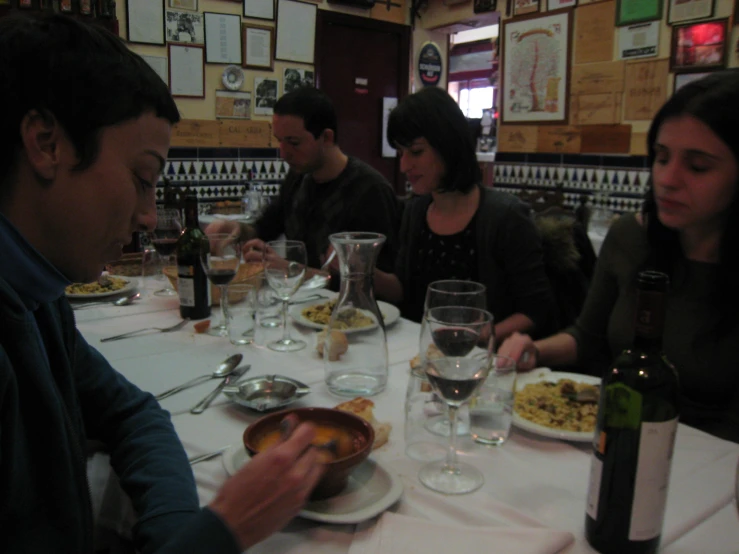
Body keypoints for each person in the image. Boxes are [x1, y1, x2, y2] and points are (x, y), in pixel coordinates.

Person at [0, 13, 326, 553]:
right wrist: (221, 531)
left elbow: (133, 412)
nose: (150, 216)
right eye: (143, 179)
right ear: (46, 143)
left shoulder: (39, 297)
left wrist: (176, 536)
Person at [499, 70, 739, 444]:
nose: (668, 178)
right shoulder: (631, 237)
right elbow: (587, 336)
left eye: (697, 167)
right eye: (661, 158)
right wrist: (534, 349)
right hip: (612, 436)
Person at [372, 87, 557, 341]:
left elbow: (535, 312)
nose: (404, 165)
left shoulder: (506, 217)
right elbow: (403, 291)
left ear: (448, 145)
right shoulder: (415, 211)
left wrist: (472, 337)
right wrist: (361, 268)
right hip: (418, 355)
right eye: (400, 153)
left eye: (416, 152)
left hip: (483, 361)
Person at [206, 86, 400, 278]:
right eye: (280, 141)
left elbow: (374, 286)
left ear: (326, 137)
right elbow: (264, 230)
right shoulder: (299, 177)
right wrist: (236, 230)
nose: (283, 153)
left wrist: (290, 269)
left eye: (294, 142)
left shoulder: (370, 190)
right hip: (302, 303)